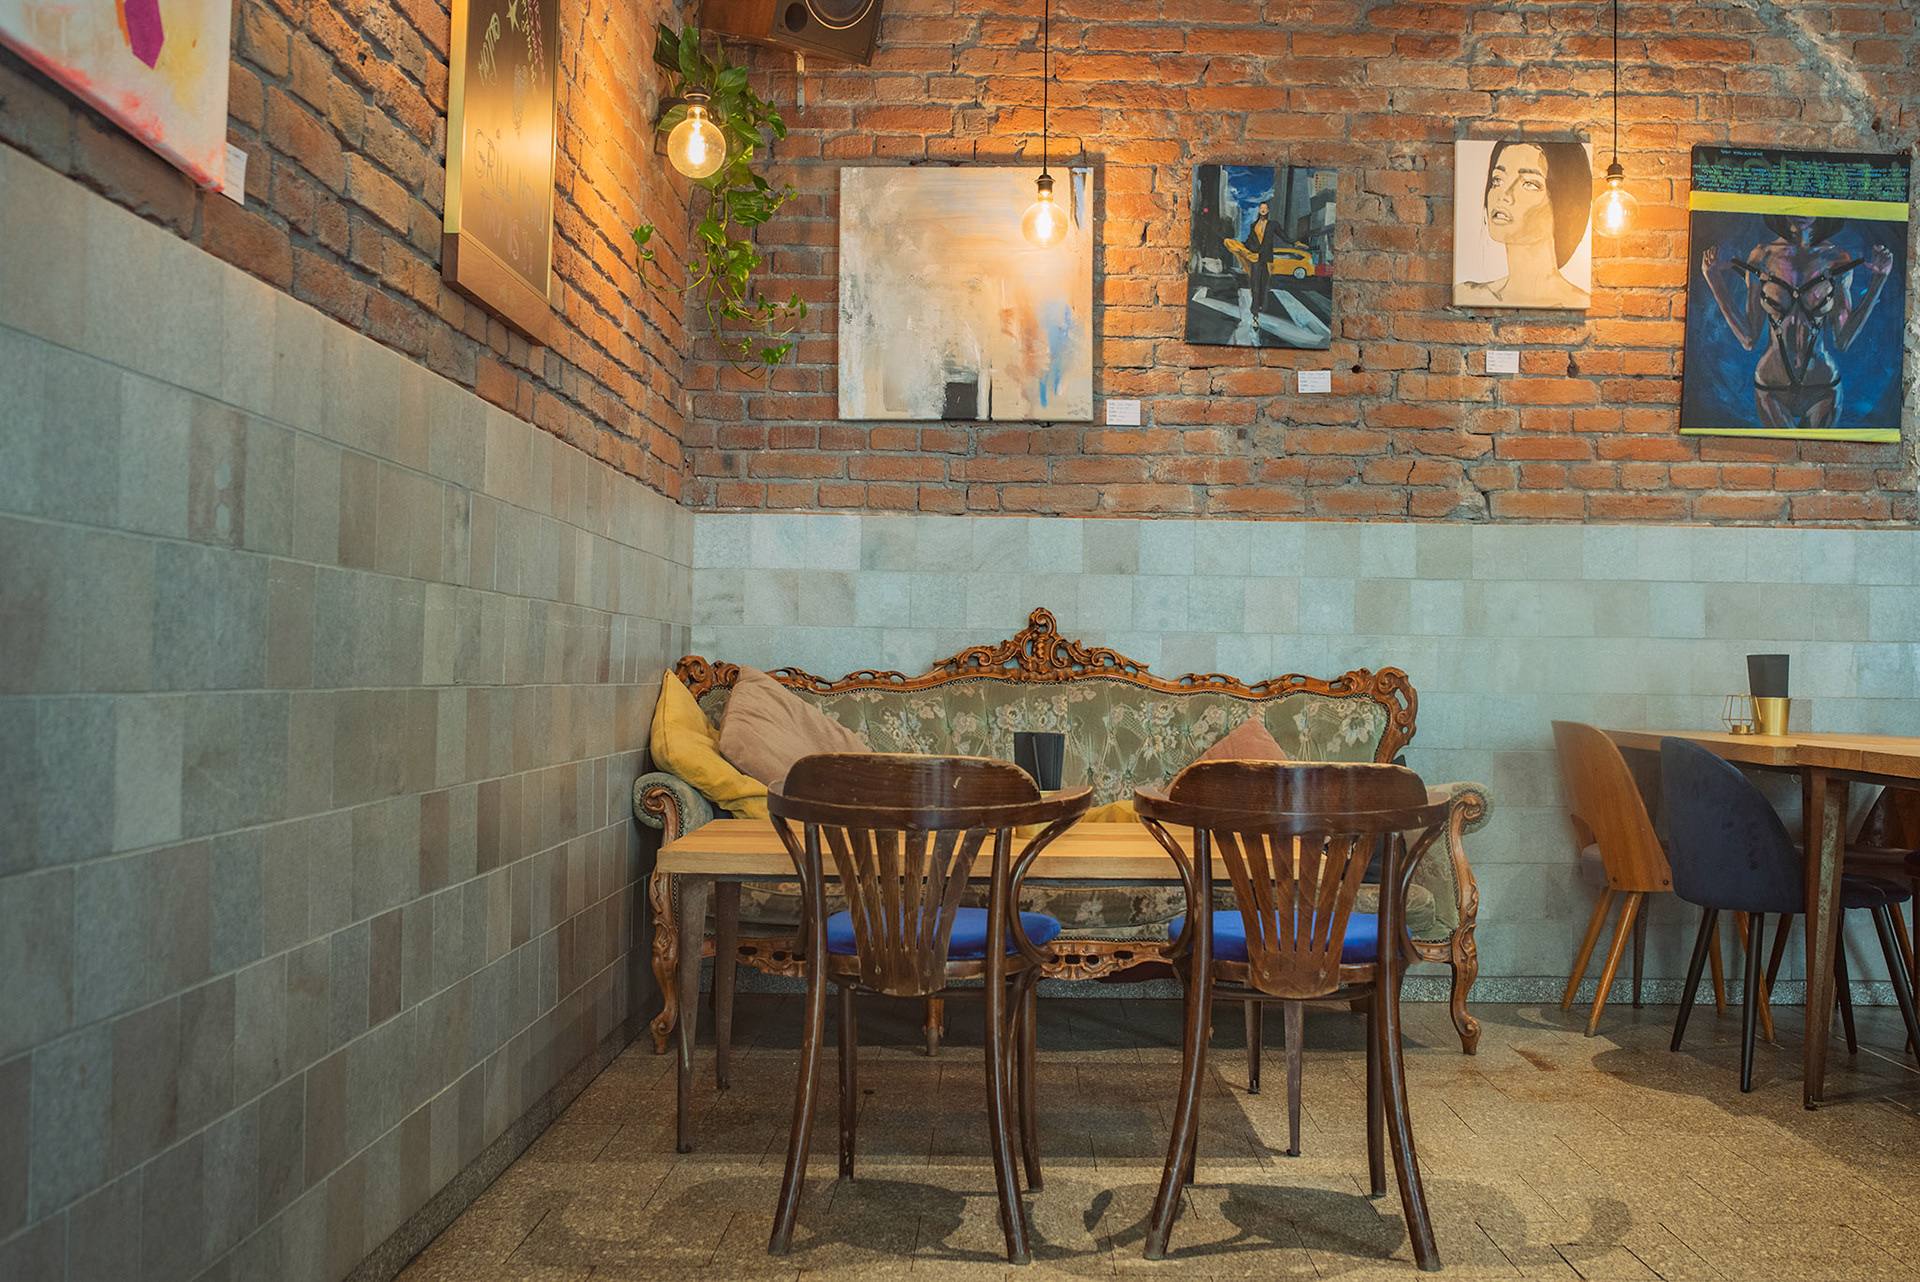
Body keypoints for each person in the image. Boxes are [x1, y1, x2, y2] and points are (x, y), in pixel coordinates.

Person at [1699, 215, 1894, 431]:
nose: (1803, 213)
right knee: (1784, 451)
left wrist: (1879, 279)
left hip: (1823, 387)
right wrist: (1713, 278)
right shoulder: (1762, 255)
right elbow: (1748, 339)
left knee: (1815, 453)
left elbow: (1843, 340)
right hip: (1771, 386)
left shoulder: (1837, 258)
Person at [1456, 141, 1592, 308]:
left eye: (1529, 184)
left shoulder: (1577, 301)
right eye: (1497, 180)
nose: (1503, 194)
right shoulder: (1468, 294)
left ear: (1565, 202)